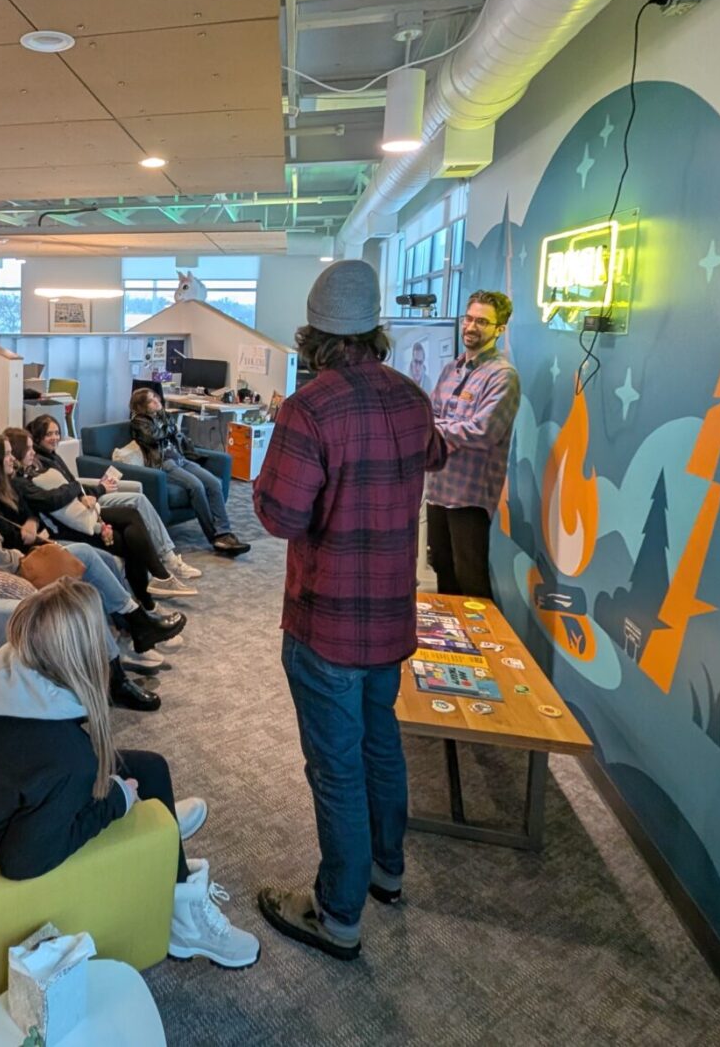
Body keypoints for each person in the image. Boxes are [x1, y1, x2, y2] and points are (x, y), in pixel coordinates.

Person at [251, 259, 447, 960]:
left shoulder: (310, 408)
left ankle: (337, 915)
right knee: (380, 744)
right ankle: (387, 872)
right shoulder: (412, 397)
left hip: (325, 620)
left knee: (335, 769)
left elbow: (278, 515)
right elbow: (436, 453)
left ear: (313, 335)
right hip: (391, 615)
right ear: (373, 329)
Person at [0, 580, 257, 968]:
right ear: (83, 653)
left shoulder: (3, 677)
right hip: (2, 845)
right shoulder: (67, 760)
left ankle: (164, 836)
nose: (110, 637)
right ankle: (185, 922)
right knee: (126, 782)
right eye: (103, 631)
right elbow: (22, 862)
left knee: (151, 768)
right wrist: (114, 802)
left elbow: (39, 772)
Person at [0, 436, 159, 712]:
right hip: (15, 577)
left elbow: (18, 522)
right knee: (83, 575)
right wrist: (21, 552)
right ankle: (130, 638)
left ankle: (130, 635)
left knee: (87, 561)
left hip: (17, 566)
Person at [0, 430, 185, 661]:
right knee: (95, 549)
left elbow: (31, 513)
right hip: (31, 554)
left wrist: (32, 522)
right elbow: (16, 536)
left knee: (111, 551)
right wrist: (34, 527)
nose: (12, 458)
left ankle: (136, 623)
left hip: (43, 542)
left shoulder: (9, 482)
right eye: (7, 454)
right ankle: (141, 618)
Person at [6, 426, 179, 616]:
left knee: (132, 523)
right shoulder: (20, 482)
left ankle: (149, 596)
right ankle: (150, 594)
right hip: (64, 529)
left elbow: (62, 491)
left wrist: (79, 494)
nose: (33, 452)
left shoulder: (33, 469)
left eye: (56, 433)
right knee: (130, 531)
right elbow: (51, 499)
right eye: (29, 448)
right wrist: (76, 490)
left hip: (76, 516)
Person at [27, 415, 201, 594]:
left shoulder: (52, 456)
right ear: (38, 437)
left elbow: (73, 484)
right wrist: (99, 489)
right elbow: (65, 492)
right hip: (85, 504)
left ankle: (161, 566)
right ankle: (167, 560)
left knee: (138, 502)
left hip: (89, 497)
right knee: (137, 503)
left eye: (57, 433)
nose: (55, 438)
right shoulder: (42, 464)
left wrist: (97, 488)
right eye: (49, 434)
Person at [425, 290, 521, 599]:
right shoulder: (451, 369)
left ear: (499, 328)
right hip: (438, 489)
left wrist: (437, 429)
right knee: (442, 570)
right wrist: (438, 428)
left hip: (470, 496)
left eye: (482, 321)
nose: (471, 327)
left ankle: (480, 633)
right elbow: (430, 416)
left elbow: (483, 432)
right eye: (468, 318)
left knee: (470, 579)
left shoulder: (502, 376)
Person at [128, 388, 249, 557]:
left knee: (213, 483)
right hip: (164, 463)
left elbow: (175, 433)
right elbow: (155, 436)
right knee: (196, 486)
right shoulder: (139, 422)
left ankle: (224, 531)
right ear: (142, 406)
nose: (157, 400)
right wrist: (169, 427)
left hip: (180, 458)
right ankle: (216, 537)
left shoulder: (163, 415)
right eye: (151, 400)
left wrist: (169, 425)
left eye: (155, 397)